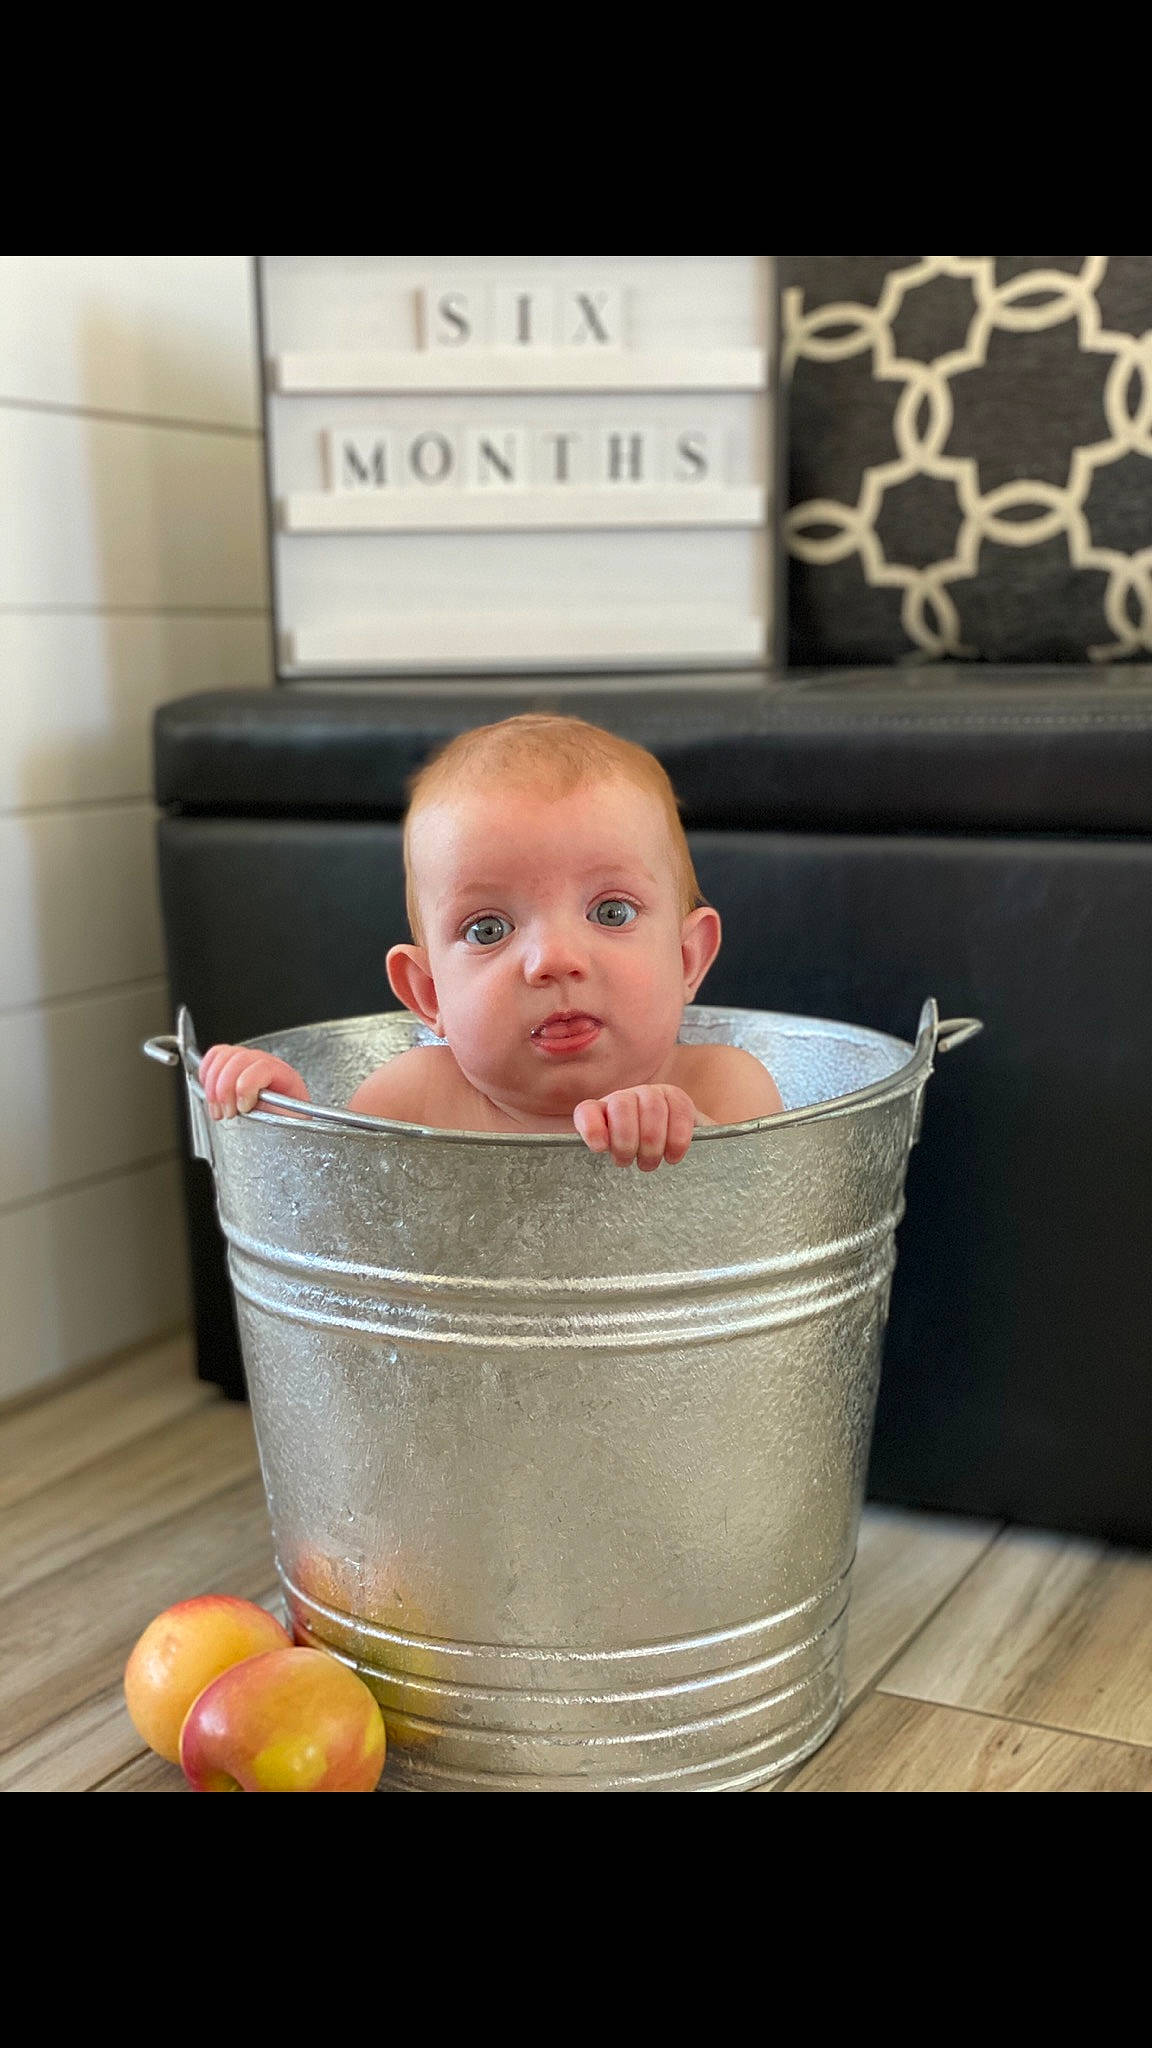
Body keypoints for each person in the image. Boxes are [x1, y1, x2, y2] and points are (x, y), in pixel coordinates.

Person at [198, 714, 783, 1170]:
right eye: (489, 930)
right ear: (429, 995)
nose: (554, 959)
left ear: (687, 958)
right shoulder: (412, 1101)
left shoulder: (724, 1086)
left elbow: (773, 1227)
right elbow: (336, 1229)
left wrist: (694, 1142)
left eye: (611, 912)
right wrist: (287, 1125)